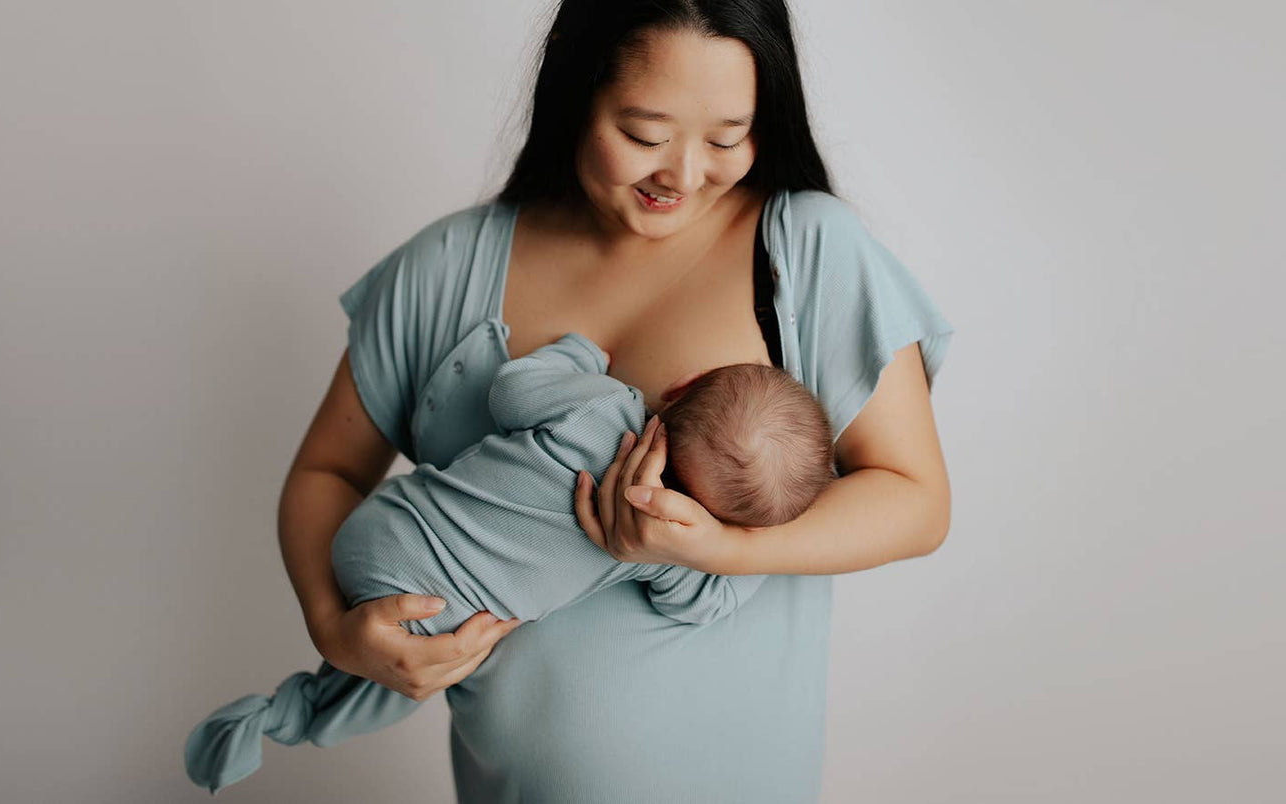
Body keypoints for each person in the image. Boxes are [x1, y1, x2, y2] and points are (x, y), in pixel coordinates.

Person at [272, 0, 955, 803]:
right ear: (574, 80)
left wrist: (720, 549)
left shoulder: (804, 252)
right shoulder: (445, 270)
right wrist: (334, 627)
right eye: (644, 134)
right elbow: (325, 473)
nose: (683, 174)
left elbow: (914, 502)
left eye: (727, 137)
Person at [183, 331, 836, 792]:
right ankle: (291, 713)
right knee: (395, 682)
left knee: (392, 655)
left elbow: (512, 390)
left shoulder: (600, 404)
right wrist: (723, 548)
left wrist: (577, 355)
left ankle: (290, 708)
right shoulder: (658, 544)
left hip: (381, 528)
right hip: (433, 616)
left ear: (682, 386)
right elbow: (708, 602)